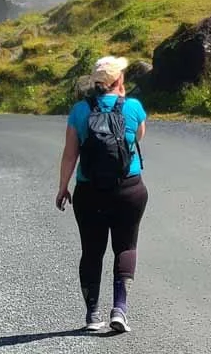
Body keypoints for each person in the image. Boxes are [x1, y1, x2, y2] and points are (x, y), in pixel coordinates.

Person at [56, 55, 148, 334]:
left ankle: (92, 314)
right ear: (119, 81)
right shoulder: (133, 107)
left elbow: (70, 154)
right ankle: (119, 309)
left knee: (92, 251)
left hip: (89, 191)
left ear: (96, 83)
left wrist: (63, 188)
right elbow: (138, 137)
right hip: (129, 189)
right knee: (126, 247)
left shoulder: (79, 111)